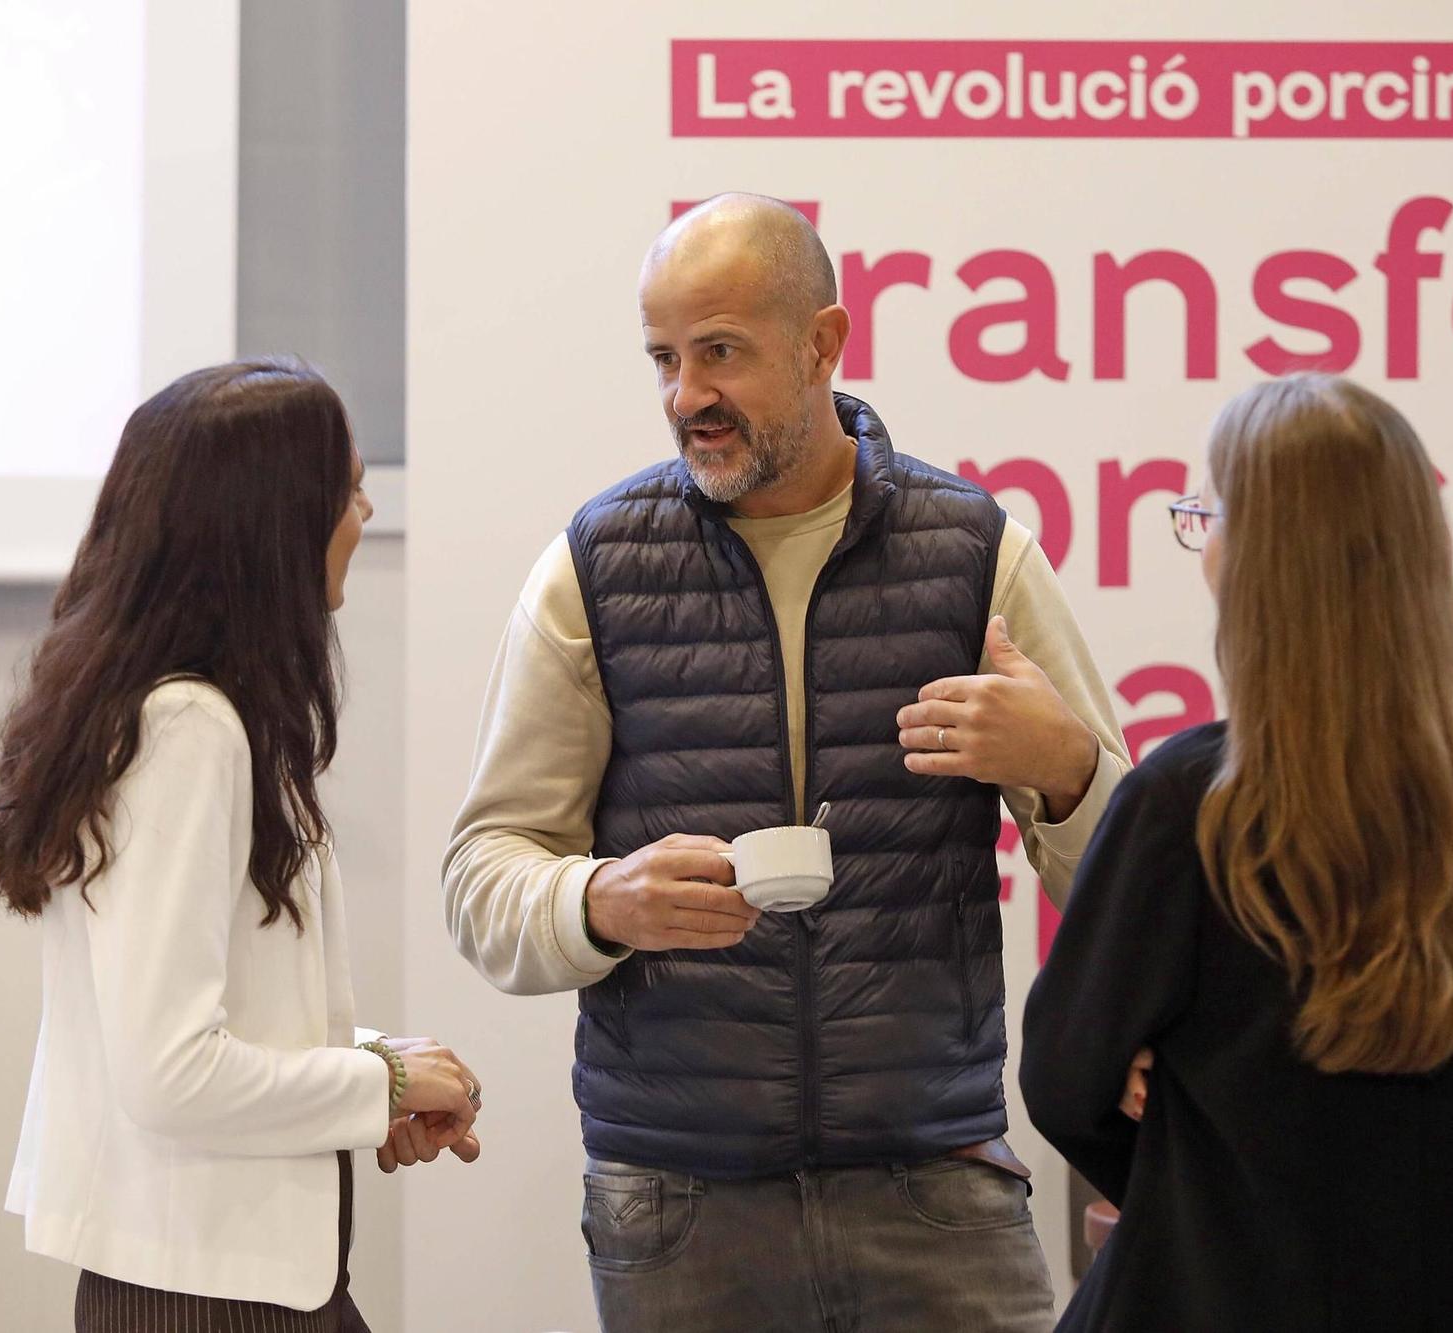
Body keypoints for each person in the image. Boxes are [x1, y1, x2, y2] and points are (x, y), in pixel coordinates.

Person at [443, 194, 1130, 1331]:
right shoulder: (593, 570)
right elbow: (482, 877)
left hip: (936, 1189)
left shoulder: (975, 556)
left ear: (822, 343)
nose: (685, 397)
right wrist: (596, 900)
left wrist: (1060, 765)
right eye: (663, 357)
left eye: (719, 352)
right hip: (676, 1206)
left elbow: (1128, 887)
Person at [1020, 374, 1453, 1332]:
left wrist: (1195, 1155)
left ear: (1261, 560)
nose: (1202, 543)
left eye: (1209, 513)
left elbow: (1064, 1079)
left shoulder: (1188, 801)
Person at [0, 359, 486, 1331]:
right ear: (270, 527)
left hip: (226, 1283)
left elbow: (218, 1026)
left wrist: (374, 1072)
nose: (367, 511)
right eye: (345, 490)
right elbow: (172, 1072)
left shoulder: (174, 716)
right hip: (213, 1300)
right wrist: (377, 1078)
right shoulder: (187, 729)